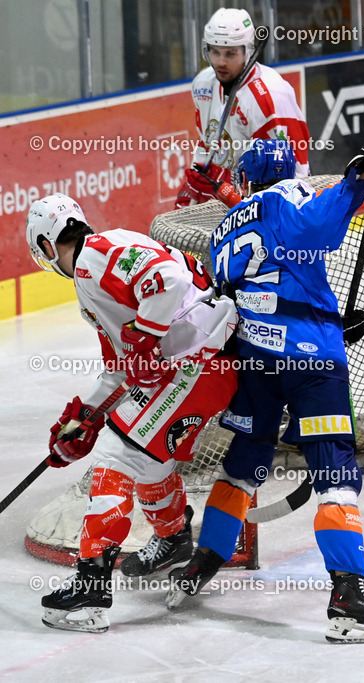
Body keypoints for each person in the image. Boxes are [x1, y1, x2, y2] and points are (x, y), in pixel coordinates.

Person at [166, 137, 364, 644]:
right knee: (333, 465)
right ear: (289, 171)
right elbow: (315, 226)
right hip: (311, 362)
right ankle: (347, 595)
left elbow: (243, 293)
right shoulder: (285, 196)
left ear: (246, 179)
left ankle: (202, 561)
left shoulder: (222, 229)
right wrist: (355, 183)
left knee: (245, 458)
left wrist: (327, 321)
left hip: (257, 360)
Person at [26, 193, 238, 633]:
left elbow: (166, 280)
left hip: (204, 356)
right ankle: (174, 538)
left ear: (47, 246)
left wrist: (145, 335)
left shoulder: (96, 255)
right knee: (143, 457)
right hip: (201, 360)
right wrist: (83, 417)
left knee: (117, 456)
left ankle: (90, 587)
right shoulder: (92, 278)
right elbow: (121, 366)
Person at [175, 7, 311, 210]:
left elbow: (295, 175)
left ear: (248, 51)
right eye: (215, 52)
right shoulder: (203, 85)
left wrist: (236, 193)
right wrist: (200, 178)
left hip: (268, 204)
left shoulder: (270, 96)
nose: (221, 62)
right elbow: (208, 142)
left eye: (231, 53)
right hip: (223, 194)